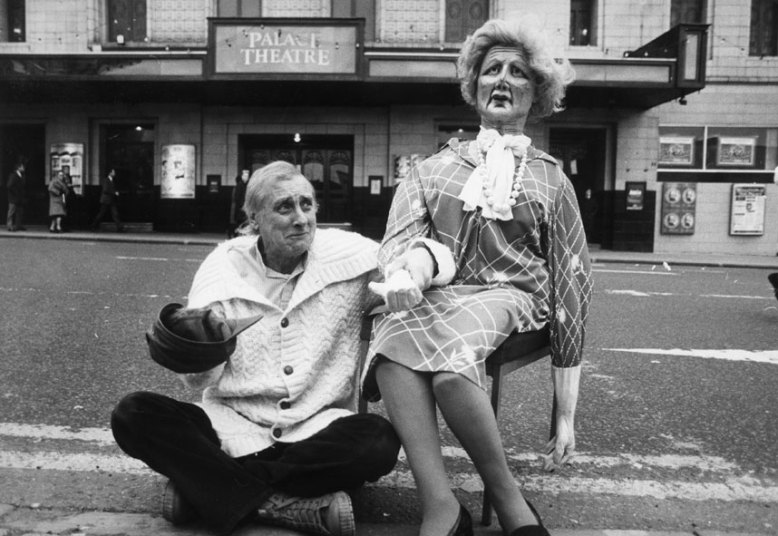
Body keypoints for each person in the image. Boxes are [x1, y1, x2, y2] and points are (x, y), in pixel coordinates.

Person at [362, 18, 593, 536]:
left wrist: (566, 408)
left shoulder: (553, 179)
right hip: (438, 295)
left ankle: (508, 497)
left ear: (538, 91)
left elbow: (572, 281)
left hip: (512, 296)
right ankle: (440, 505)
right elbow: (396, 244)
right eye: (491, 70)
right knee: (391, 345)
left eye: (518, 72)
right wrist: (406, 272)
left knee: (450, 370)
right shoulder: (431, 169)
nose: (502, 80)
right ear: (475, 84)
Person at [110, 161, 400, 536]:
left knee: (379, 441)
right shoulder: (222, 269)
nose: (301, 219)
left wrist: (420, 268)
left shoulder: (349, 255)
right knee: (133, 413)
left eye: (307, 205)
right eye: (284, 207)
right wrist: (197, 349)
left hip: (314, 428)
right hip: (230, 426)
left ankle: (214, 490)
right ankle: (281, 504)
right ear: (254, 219)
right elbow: (197, 382)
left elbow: (412, 260)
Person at [228, 168, 251, 237]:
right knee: (238, 221)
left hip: (238, 207)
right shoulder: (240, 186)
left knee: (235, 221)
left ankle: (233, 233)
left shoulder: (239, 186)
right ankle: (235, 233)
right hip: (239, 207)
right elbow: (238, 198)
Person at [6, 159, 26, 232]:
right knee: (11, 211)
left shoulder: (21, 175)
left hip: (19, 197)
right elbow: (9, 185)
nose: (23, 168)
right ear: (18, 167)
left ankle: (18, 225)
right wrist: (15, 193)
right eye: (22, 167)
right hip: (13, 197)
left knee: (19, 212)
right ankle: (9, 226)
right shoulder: (13, 175)